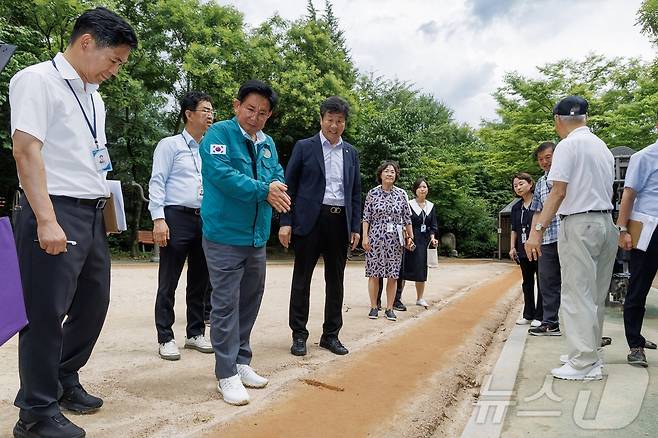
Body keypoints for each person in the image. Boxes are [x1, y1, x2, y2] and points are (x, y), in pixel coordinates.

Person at [9, 7, 137, 437]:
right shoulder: (36, 80)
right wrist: (46, 219)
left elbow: (91, 160)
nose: (115, 71)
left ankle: (64, 378)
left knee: (93, 304)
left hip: (90, 212)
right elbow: (27, 151)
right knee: (45, 312)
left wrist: (107, 209)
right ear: (87, 43)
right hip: (52, 208)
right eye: (114, 60)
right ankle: (35, 413)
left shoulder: (93, 96)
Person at [199, 80, 290, 406]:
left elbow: (277, 172)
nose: (255, 117)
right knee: (225, 304)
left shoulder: (268, 144)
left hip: (256, 237)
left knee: (250, 300)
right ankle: (225, 373)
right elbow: (221, 175)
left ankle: (241, 361)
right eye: (250, 109)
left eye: (262, 113)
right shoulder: (219, 135)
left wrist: (277, 184)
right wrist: (264, 190)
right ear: (237, 105)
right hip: (224, 234)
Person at [526, 95, 618, 381]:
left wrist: (538, 231)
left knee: (577, 293)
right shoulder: (602, 147)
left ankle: (583, 362)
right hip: (605, 222)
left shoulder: (567, 146)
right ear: (585, 117)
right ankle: (589, 352)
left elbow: (558, 192)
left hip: (579, 223)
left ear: (558, 120)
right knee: (595, 295)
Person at [279, 96, 361, 357]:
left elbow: (355, 192)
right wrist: (286, 221)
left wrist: (355, 226)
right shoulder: (305, 147)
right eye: (330, 120)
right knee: (302, 280)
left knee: (336, 281)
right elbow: (287, 186)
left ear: (344, 123)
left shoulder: (351, 152)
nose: (334, 126)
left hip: (340, 222)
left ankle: (331, 335)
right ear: (321, 119)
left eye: (339, 121)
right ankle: (299, 335)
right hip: (310, 221)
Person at [148, 91, 215, 360]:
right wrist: (158, 218)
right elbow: (157, 181)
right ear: (189, 114)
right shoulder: (170, 145)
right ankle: (165, 336)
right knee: (169, 280)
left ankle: (195, 333)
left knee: (200, 280)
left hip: (205, 218)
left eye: (212, 112)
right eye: (205, 110)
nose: (210, 116)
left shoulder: (213, 147)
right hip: (176, 216)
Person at [616, 122, 658, 367]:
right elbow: (628, 194)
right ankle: (635, 345)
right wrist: (623, 229)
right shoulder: (644, 157)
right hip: (648, 229)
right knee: (639, 287)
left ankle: (639, 337)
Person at [362, 161, 414, 322]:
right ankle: (373, 307)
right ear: (380, 174)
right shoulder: (372, 193)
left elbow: (407, 218)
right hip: (376, 237)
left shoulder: (400, 194)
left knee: (392, 275)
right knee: (374, 274)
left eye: (393, 172)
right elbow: (366, 217)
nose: (390, 174)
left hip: (395, 240)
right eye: (387, 171)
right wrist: (365, 236)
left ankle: (390, 308)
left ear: (396, 175)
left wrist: (410, 237)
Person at [527, 142, 562, 336]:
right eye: (541, 159)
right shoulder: (540, 182)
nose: (544, 162)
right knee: (547, 281)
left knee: (574, 282)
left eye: (548, 157)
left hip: (567, 236)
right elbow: (536, 212)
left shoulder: (567, 176)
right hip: (547, 239)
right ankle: (550, 322)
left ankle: (581, 327)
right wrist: (533, 237)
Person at [399, 178, 438, 309]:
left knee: (421, 269)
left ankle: (420, 298)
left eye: (425, 187)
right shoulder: (409, 204)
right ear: (415, 189)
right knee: (404, 268)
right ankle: (397, 298)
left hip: (424, 241)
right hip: (409, 240)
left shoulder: (431, 206)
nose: (423, 189)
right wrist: (407, 237)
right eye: (420, 187)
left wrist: (433, 238)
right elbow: (403, 222)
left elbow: (433, 225)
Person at [509, 173, 542, 327]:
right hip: (523, 249)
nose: (518, 187)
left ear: (530, 184)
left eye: (521, 183)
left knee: (542, 282)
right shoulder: (516, 207)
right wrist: (512, 247)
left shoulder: (539, 201)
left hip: (539, 248)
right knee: (527, 282)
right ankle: (528, 314)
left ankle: (540, 316)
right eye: (515, 186)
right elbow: (514, 229)